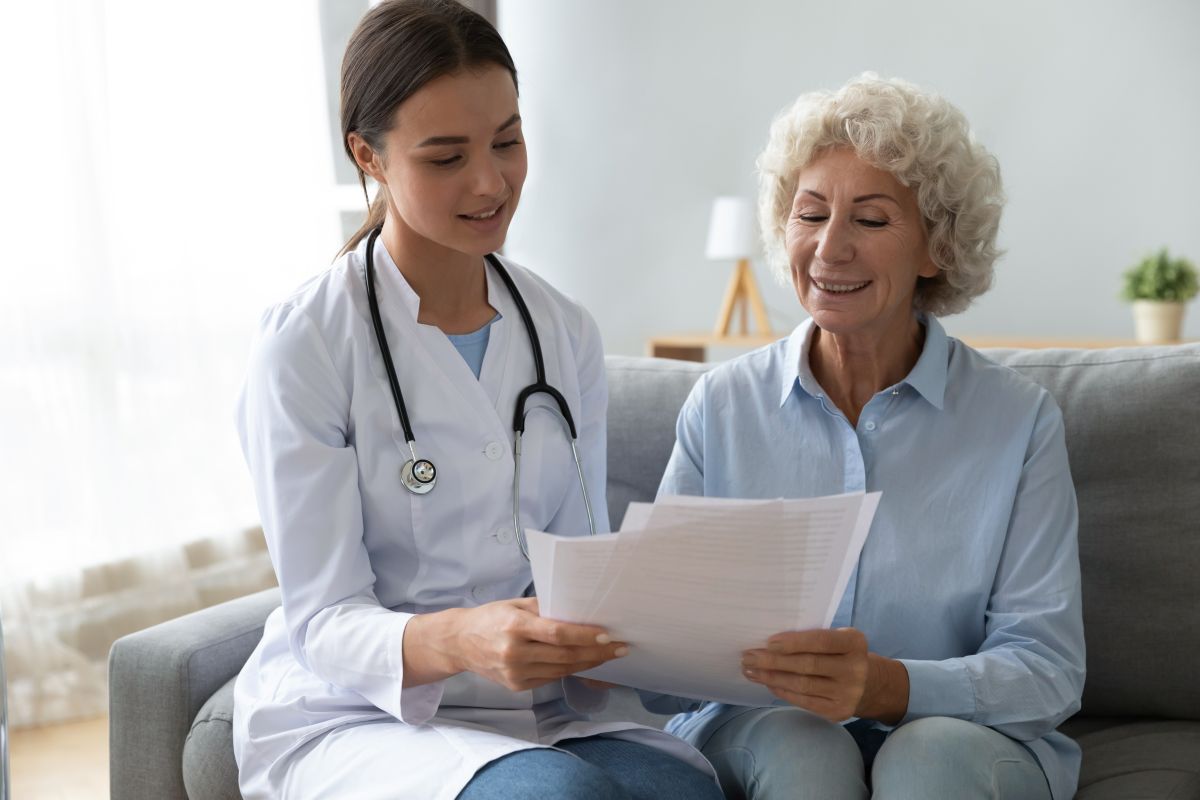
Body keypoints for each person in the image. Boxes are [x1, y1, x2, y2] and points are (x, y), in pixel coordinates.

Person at [232, 2, 720, 798]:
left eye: (507, 142)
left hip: (538, 707)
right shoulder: (307, 344)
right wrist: (461, 640)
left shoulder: (562, 332)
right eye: (445, 157)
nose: (491, 182)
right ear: (370, 157)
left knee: (682, 789)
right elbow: (324, 621)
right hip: (359, 714)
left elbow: (577, 565)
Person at [657, 74, 1086, 799]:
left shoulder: (1020, 421)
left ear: (936, 247)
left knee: (925, 758)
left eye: (872, 220)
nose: (830, 248)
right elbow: (660, 647)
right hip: (767, 729)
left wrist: (888, 687)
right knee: (802, 748)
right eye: (811, 214)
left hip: (957, 741)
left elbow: (1046, 669)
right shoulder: (723, 405)